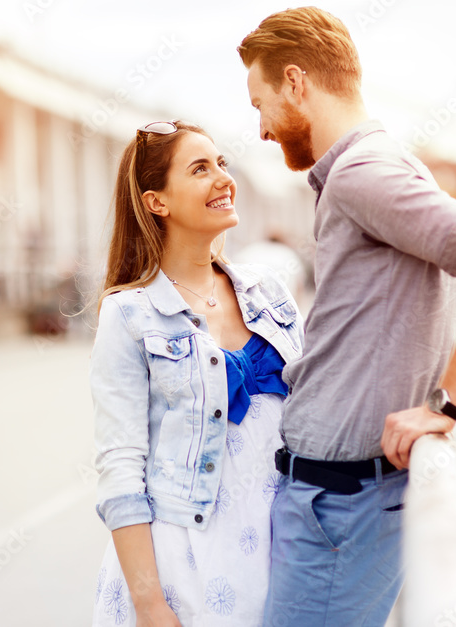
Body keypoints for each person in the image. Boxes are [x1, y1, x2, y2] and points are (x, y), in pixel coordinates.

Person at [238, 6, 456, 626]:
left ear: (296, 82)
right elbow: (408, 296)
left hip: (338, 509)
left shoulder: (360, 173)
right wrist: (447, 372)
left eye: (259, 103)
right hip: (337, 504)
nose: (260, 128)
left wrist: (446, 402)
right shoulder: (379, 163)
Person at [89, 120, 305, 625]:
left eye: (222, 164)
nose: (223, 179)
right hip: (182, 568)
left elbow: (330, 391)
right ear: (156, 201)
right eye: (200, 169)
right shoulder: (129, 314)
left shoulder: (269, 292)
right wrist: (149, 604)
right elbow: (120, 467)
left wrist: (440, 388)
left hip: (280, 553)